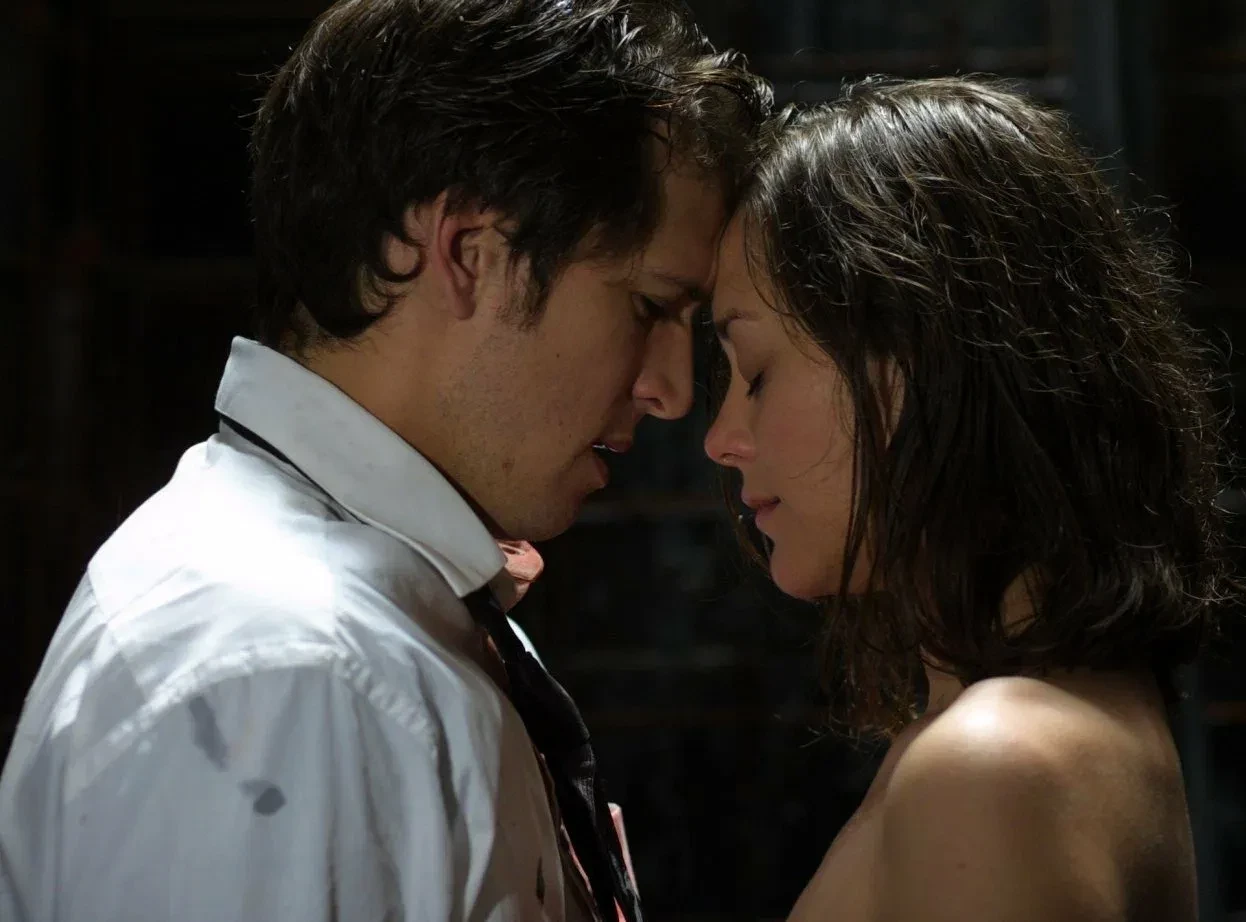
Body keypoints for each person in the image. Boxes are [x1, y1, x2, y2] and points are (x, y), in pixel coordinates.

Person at [0, 2, 768, 920]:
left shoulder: (342, 627)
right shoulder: (287, 672)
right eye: (649, 306)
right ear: (468, 253)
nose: (673, 392)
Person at [704, 76, 1246, 922]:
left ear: (915, 360)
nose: (721, 438)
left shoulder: (990, 765)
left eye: (754, 372)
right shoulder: (1054, 720)